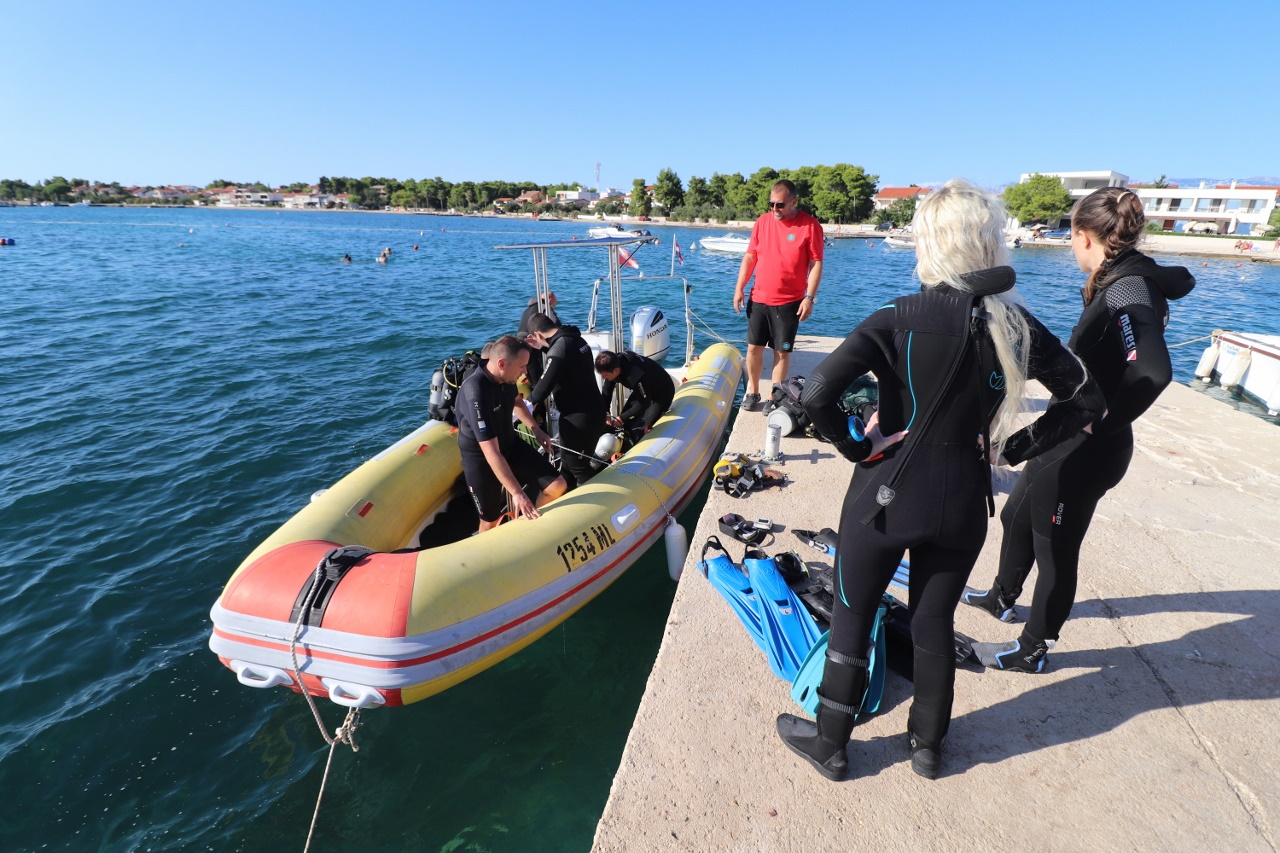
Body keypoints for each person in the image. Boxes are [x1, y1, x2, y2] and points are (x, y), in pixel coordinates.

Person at [775, 179, 1104, 782]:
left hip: (884, 496)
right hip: (962, 503)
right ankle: (927, 748)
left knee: (854, 615)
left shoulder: (895, 317)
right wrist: (1016, 446)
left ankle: (832, 743)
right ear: (988, 244)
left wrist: (856, 444)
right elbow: (1087, 399)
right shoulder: (1014, 323)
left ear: (928, 244)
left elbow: (814, 391)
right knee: (932, 623)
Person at [964, 187, 1195, 672]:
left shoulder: (1127, 290)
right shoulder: (1130, 276)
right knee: (1015, 517)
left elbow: (1152, 370)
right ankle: (1002, 597)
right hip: (1064, 439)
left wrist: (1105, 422)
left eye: (1071, 239)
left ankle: (1033, 649)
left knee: (1056, 550)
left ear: (1083, 236)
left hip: (1088, 450)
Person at [455, 335, 567, 533]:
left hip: (509, 444)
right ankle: (486, 556)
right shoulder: (476, 391)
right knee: (490, 520)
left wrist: (536, 429)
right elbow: (491, 452)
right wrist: (516, 493)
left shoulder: (507, 377)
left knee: (556, 486)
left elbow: (516, 402)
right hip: (481, 458)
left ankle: (526, 528)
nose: (525, 372)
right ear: (502, 363)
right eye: (522, 366)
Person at [732, 179, 825, 411]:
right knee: (753, 349)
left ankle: (775, 397)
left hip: (789, 302)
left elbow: (816, 263)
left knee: (781, 352)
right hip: (759, 298)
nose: (774, 210)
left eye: (780, 205)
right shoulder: (762, 222)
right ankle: (752, 392)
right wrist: (739, 287)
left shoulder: (810, 226)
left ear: (794, 201)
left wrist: (809, 297)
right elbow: (750, 257)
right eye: (771, 204)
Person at [526, 312, 607, 489]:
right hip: (592, 412)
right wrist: (543, 348)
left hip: (579, 419)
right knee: (568, 468)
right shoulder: (575, 339)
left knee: (578, 469)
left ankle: (608, 497)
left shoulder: (559, 349)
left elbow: (542, 389)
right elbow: (566, 361)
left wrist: (522, 408)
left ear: (538, 335)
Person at [595, 350, 675, 439]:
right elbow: (607, 391)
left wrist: (621, 418)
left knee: (641, 430)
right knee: (624, 425)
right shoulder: (613, 364)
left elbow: (645, 403)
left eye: (605, 376)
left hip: (661, 392)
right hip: (643, 390)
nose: (603, 378)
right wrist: (606, 413)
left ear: (616, 370)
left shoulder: (634, 374)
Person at [517, 291, 559, 387]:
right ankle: (538, 399)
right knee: (538, 376)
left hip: (520, 342)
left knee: (530, 371)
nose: (553, 307)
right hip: (532, 342)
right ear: (550, 300)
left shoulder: (526, 310)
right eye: (554, 305)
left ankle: (533, 391)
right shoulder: (544, 307)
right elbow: (557, 326)